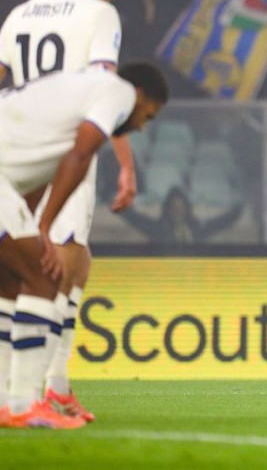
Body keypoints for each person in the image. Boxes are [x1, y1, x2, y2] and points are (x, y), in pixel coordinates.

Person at [0, 0, 136, 422]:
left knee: (72, 264)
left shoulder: (20, 13)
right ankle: (30, 395)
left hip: (19, 151)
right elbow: (105, 87)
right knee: (54, 267)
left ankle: (51, 386)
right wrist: (126, 163)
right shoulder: (100, 14)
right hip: (66, 151)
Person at [0, 63, 168, 429]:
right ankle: (23, 405)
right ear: (140, 95)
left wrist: (32, 228)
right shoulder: (118, 90)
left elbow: (35, 179)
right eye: (147, 116)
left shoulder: (64, 105)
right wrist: (45, 228)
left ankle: (4, 403)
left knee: (10, 281)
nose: (141, 126)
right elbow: (81, 155)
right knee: (44, 276)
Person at [120, 187, 244, 245]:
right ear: (168, 210)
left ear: (186, 209)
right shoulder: (157, 229)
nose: (177, 211)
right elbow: (136, 219)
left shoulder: (198, 227)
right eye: (174, 208)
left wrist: (240, 207)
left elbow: (222, 222)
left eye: (180, 208)